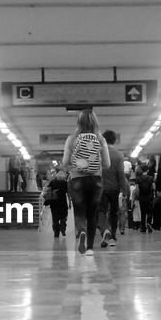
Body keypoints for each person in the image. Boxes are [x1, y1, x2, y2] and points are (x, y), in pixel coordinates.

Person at [61, 109, 111, 255]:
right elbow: (107, 164)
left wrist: (75, 166)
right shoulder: (101, 139)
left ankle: (81, 231)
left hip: (77, 179)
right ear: (95, 122)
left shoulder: (71, 139)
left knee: (80, 211)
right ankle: (90, 248)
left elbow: (65, 162)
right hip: (96, 180)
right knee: (92, 213)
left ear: (78, 122)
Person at [98, 129, 129, 248]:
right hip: (114, 188)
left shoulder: (98, 153)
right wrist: (124, 191)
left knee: (101, 211)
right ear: (115, 140)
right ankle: (113, 236)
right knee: (114, 212)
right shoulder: (118, 155)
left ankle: (105, 230)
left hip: (100, 188)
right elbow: (121, 174)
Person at [42, 169, 69, 238]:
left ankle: (56, 233)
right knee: (63, 217)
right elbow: (68, 193)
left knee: (55, 219)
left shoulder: (52, 182)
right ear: (63, 177)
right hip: (63, 203)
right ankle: (63, 228)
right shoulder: (65, 183)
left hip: (54, 202)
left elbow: (47, 190)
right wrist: (70, 202)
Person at [136, 161, 156, 234]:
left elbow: (137, 189)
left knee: (143, 212)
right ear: (147, 170)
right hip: (149, 197)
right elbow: (154, 187)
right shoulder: (151, 178)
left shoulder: (138, 179)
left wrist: (139, 196)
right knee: (150, 211)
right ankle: (149, 223)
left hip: (142, 197)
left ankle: (143, 228)